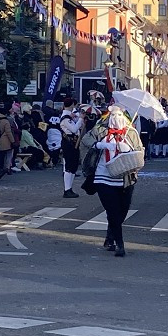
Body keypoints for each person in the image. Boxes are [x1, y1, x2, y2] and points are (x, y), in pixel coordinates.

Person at [89, 106, 143, 257]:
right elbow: (86, 141)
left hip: (125, 177)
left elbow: (140, 152)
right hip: (103, 176)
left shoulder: (131, 132)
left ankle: (110, 236)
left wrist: (129, 149)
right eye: (113, 114)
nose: (116, 117)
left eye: (120, 114)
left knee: (122, 210)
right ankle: (120, 244)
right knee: (112, 210)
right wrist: (100, 144)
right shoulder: (100, 130)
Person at [59, 99, 82, 198]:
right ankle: (67, 189)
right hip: (68, 143)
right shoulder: (65, 118)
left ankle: (70, 188)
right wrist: (80, 119)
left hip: (73, 142)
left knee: (73, 166)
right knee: (69, 166)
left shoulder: (70, 116)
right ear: (72, 105)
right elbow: (74, 129)